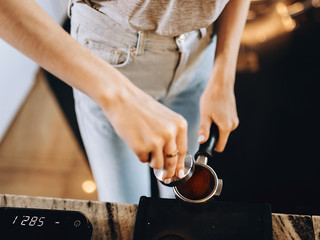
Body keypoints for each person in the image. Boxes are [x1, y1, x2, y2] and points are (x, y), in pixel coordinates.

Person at [0, 0, 250, 203]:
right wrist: (117, 97)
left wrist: (224, 73)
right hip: (112, 61)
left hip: (202, 55)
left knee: (182, 204)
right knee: (125, 207)